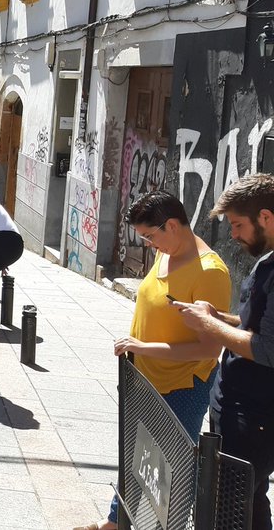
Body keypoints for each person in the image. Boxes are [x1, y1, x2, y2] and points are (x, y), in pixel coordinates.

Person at [75, 190, 232, 530]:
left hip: (183, 385)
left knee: (173, 465)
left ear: (171, 225)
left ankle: (168, 526)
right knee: (136, 454)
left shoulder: (209, 272)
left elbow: (209, 349)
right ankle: (116, 521)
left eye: (149, 236)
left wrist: (144, 347)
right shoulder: (167, 253)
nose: (148, 244)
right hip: (145, 379)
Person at [170, 175, 273, 530]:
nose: (233, 235)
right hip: (238, 407)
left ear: (266, 217)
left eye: (238, 225)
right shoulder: (268, 261)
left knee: (228, 509)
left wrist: (208, 327)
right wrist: (217, 315)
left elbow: (266, 349)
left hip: (255, 417)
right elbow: (251, 324)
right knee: (249, 503)